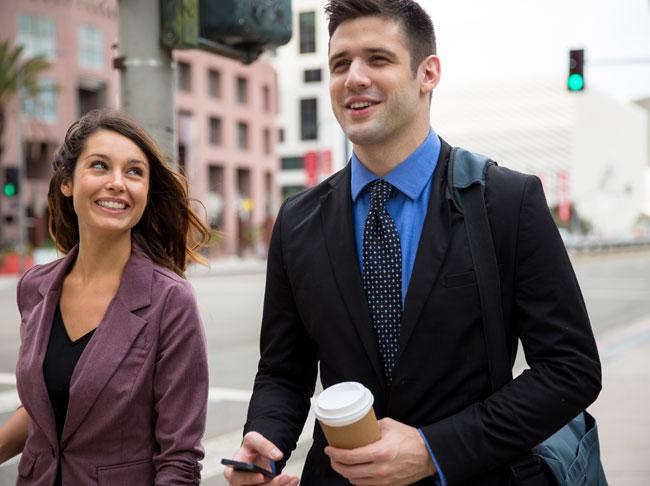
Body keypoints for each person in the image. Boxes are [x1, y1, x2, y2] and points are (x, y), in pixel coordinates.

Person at [224, 0, 602, 485]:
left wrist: (432, 451)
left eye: (377, 59)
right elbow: (283, 372)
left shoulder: (507, 201)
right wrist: (264, 443)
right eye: (340, 64)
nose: (354, 78)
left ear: (428, 74)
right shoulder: (298, 220)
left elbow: (570, 369)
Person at [0, 109, 211, 485]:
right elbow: (46, 409)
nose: (117, 183)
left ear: (146, 192)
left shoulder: (171, 302)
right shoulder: (34, 287)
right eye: (99, 166)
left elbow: (179, 460)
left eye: (134, 171)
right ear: (67, 182)